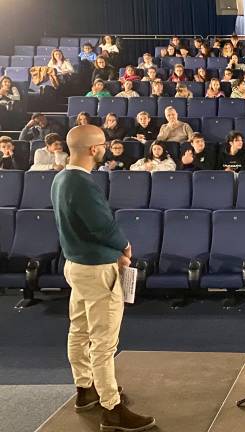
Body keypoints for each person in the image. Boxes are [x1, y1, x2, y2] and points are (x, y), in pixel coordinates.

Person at [51, 125, 156, 431]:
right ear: (93, 150)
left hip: (76, 265)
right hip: (97, 270)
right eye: (103, 144)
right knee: (103, 342)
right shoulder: (82, 184)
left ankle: (85, 390)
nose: (106, 148)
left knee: (80, 330)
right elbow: (102, 226)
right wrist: (123, 247)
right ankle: (112, 408)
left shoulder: (60, 178)